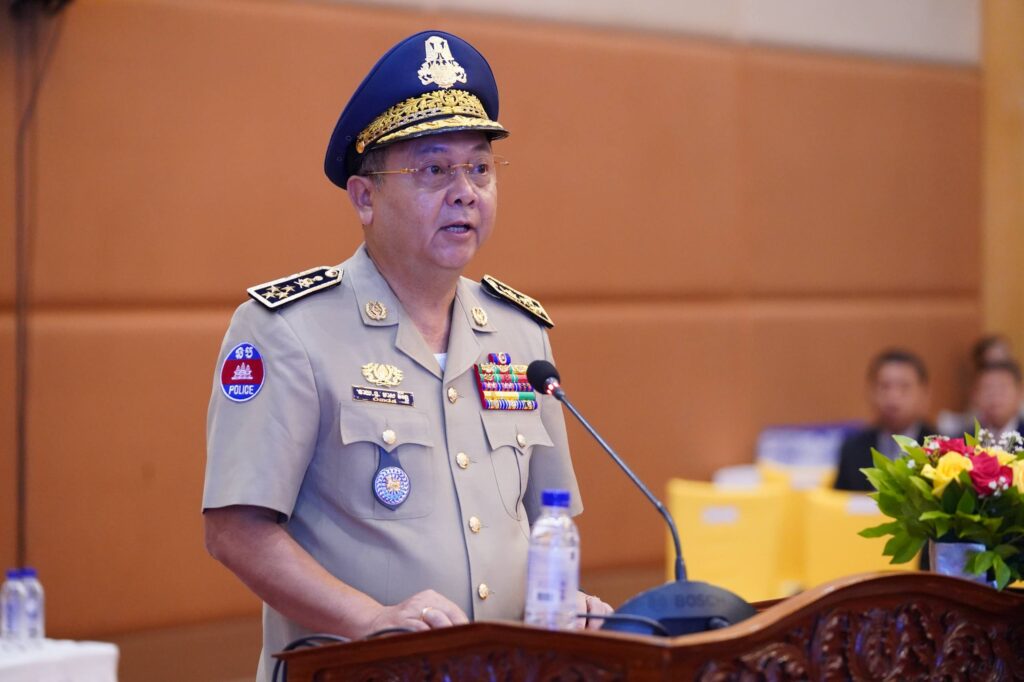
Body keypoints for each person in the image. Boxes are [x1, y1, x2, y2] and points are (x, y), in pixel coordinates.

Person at [202, 30, 611, 680]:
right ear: (364, 197)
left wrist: (566, 603)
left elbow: (548, 520)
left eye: (479, 168)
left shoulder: (521, 335)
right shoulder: (289, 331)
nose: (465, 191)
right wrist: (370, 619)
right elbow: (234, 531)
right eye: (434, 170)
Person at [833, 349, 934, 491]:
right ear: (871, 392)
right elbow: (840, 501)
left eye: (904, 387)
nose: (893, 396)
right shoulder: (853, 449)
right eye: (884, 387)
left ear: (924, 394)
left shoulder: (940, 450)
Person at [973, 360, 1024, 438]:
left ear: (1020, 392)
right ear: (975, 395)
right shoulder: (963, 440)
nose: (995, 395)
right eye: (987, 388)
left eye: (1002, 388)